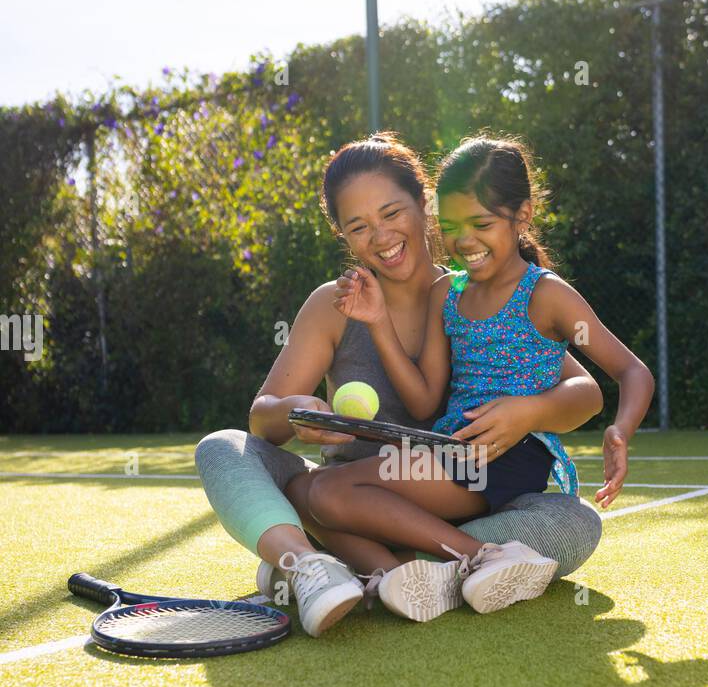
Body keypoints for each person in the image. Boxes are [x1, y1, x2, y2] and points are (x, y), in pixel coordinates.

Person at [195, 133, 611, 636]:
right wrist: (296, 410)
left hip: (458, 506)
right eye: (359, 226)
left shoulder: (475, 294)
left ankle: (365, 572)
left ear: (424, 204)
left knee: (577, 521)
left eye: (392, 213)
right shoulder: (333, 304)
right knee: (223, 450)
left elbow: (584, 392)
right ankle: (318, 567)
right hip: (343, 500)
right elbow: (262, 419)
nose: (382, 236)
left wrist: (530, 412)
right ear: (343, 236)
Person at [298, 135, 655, 620]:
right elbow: (425, 403)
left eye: (482, 223)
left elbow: (629, 370)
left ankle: (480, 557)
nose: (465, 240)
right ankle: (396, 579)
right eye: (451, 226)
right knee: (323, 491)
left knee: (331, 493)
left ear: (522, 215)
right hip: (454, 452)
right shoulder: (448, 292)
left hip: (504, 457)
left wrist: (620, 429)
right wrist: (378, 322)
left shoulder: (547, 295)